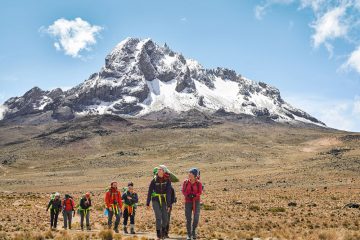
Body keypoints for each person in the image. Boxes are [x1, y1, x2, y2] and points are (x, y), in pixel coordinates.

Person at [146, 165, 172, 240]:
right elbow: (150, 192)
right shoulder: (154, 180)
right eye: (158, 170)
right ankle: (158, 234)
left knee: (165, 218)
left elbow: (168, 193)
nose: (159, 171)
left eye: (161, 170)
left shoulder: (167, 180)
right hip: (155, 200)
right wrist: (148, 203)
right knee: (158, 216)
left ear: (164, 171)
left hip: (164, 200)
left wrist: (169, 204)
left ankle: (163, 232)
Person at [182, 168, 203, 240]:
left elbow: (200, 192)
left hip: (196, 202)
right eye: (189, 174)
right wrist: (187, 195)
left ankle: (194, 231)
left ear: (194, 175)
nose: (189, 175)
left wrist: (194, 195)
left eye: (191, 174)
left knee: (196, 218)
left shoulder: (199, 183)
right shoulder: (185, 182)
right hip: (188, 202)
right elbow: (183, 191)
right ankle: (189, 234)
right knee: (188, 218)